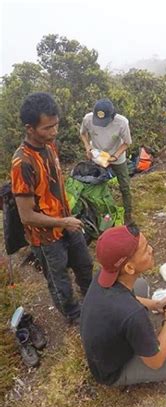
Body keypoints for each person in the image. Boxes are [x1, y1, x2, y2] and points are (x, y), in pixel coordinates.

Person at [11, 92, 93, 324]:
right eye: (47, 128)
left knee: (85, 265)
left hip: (67, 223)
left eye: (56, 125)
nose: (54, 132)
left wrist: (67, 219)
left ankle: (94, 303)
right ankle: (74, 317)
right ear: (29, 128)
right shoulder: (22, 163)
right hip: (46, 237)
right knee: (60, 281)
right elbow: (26, 216)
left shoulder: (49, 146)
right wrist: (63, 222)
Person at [80, 224, 166, 386]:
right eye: (145, 249)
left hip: (101, 349)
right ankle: (123, 376)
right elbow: (155, 362)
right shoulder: (133, 314)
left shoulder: (104, 275)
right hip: (111, 372)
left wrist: (155, 305)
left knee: (139, 284)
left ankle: (138, 334)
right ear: (129, 267)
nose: (151, 249)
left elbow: (125, 299)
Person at [80, 99, 133, 223]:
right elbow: (83, 133)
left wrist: (114, 157)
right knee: (96, 184)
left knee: (125, 186)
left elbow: (127, 143)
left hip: (117, 157)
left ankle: (128, 214)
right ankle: (99, 211)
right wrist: (88, 147)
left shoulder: (122, 122)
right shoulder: (88, 119)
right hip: (98, 156)